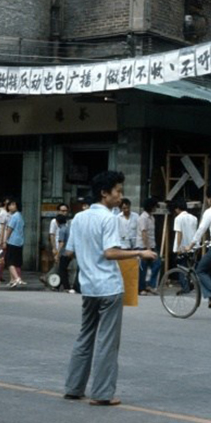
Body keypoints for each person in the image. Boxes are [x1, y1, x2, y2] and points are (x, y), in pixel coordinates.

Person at [63, 171, 157, 406]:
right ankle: (103, 393)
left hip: (88, 286)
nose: (120, 196)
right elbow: (110, 252)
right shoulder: (108, 219)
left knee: (85, 336)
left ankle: (74, 387)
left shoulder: (78, 218)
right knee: (107, 341)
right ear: (104, 193)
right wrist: (139, 252)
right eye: (117, 191)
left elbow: (69, 251)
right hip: (108, 287)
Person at [137, 197, 162, 295]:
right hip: (143, 247)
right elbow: (144, 234)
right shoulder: (143, 218)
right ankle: (141, 288)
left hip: (151, 245)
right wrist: (147, 248)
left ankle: (150, 285)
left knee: (157, 264)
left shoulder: (152, 218)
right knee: (142, 268)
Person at [2, 199, 26, 288]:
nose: (10, 207)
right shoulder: (20, 216)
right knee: (15, 262)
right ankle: (12, 280)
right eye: (9, 205)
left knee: (9, 262)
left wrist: (5, 240)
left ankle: (16, 278)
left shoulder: (14, 217)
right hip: (19, 242)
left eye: (13, 204)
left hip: (12, 241)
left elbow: (9, 229)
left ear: (17, 206)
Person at [171, 198, 197, 269]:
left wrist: (178, 248)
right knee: (191, 269)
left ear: (177, 208)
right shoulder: (194, 218)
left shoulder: (178, 218)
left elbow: (179, 234)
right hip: (192, 247)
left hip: (183, 248)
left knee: (182, 270)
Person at [0, 197, 11, 284]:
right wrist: (1, 240)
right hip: (4, 238)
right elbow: (2, 228)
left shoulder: (14, 215)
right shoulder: (4, 214)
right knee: (1, 259)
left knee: (4, 259)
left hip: (11, 239)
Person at [55, 214, 74, 293]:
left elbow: (61, 243)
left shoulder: (62, 230)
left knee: (62, 269)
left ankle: (66, 286)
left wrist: (57, 253)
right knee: (64, 269)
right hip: (70, 251)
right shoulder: (68, 228)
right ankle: (60, 285)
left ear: (57, 222)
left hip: (64, 252)